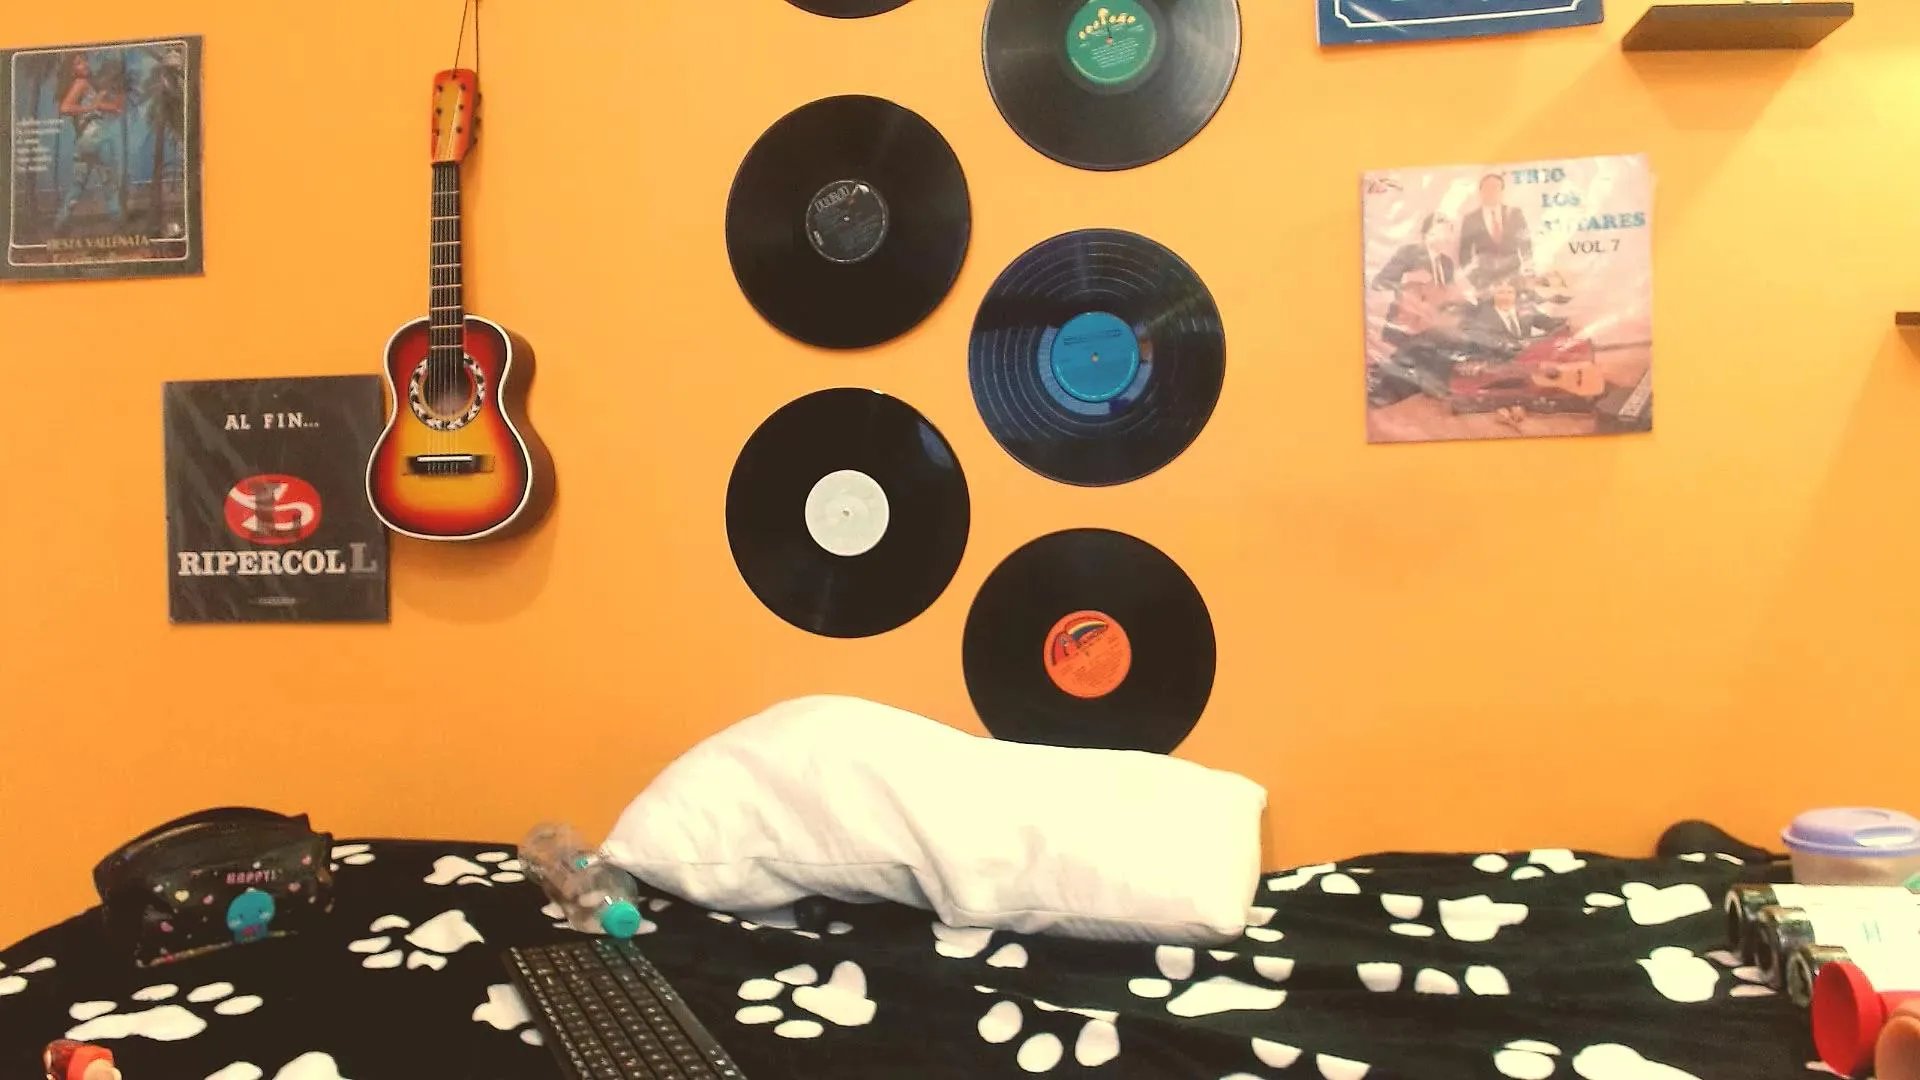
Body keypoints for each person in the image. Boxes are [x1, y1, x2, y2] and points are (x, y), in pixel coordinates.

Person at [52, 52, 125, 234]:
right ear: (72, 71)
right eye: (78, 63)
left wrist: (113, 104)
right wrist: (90, 107)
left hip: (83, 143)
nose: (84, 64)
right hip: (98, 138)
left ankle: (60, 224)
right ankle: (118, 223)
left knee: (77, 186)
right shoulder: (81, 83)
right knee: (109, 183)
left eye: (85, 60)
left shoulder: (86, 87)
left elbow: (105, 107)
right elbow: (65, 107)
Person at [1465, 276, 1565, 361]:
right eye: (1500, 293)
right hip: (1501, 364)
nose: (1505, 297)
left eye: (1510, 292)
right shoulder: (1483, 318)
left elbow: (1551, 324)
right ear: (1492, 296)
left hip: (1530, 359)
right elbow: (1493, 346)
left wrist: (1566, 323)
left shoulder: (1526, 308)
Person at [1457, 174, 1531, 287]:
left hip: (1513, 278)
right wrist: (1474, 280)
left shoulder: (1515, 214)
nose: (1491, 192)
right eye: (1487, 188)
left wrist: (1527, 272)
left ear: (1502, 192)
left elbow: (1526, 244)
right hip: (1484, 281)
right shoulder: (1470, 219)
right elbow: (1464, 253)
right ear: (1480, 192)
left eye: (1496, 187)